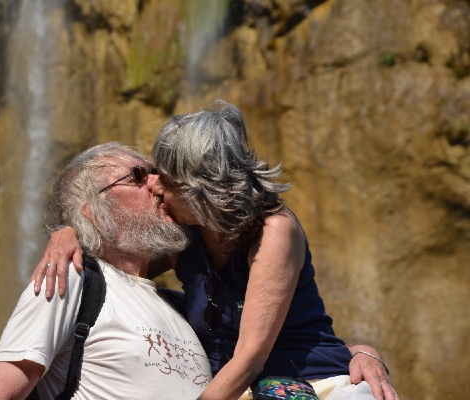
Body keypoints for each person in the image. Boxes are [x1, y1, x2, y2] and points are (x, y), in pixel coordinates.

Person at [32, 101, 397, 400]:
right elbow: (120, 258)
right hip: (233, 389)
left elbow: (251, 358)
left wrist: (363, 352)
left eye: (167, 178)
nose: (154, 186)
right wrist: (67, 233)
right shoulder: (184, 233)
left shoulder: (274, 231)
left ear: (198, 189)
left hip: (316, 385)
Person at [0, 143, 213, 400]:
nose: (157, 184)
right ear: (92, 211)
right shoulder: (68, 279)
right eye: (138, 177)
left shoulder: (182, 307)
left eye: (155, 172)